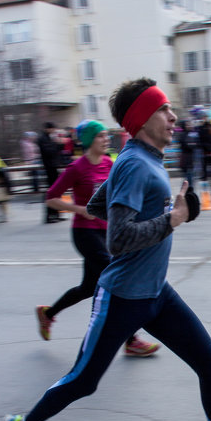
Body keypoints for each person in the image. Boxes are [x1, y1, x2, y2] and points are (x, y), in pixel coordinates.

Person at [3, 77, 211, 421]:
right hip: (122, 297)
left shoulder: (139, 158)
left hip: (156, 292)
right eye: (164, 110)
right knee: (84, 380)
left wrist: (167, 207)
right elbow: (117, 240)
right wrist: (172, 218)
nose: (173, 117)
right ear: (141, 118)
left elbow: (102, 203)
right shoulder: (136, 162)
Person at [35, 118, 160, 357]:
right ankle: (131, 339)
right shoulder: (77, 168)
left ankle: (48, 314)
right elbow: (51, 197)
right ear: (90, 141)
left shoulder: (109, 163)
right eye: (101, 136)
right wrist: (81, 209)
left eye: (105, 135)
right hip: (85, 233)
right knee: (117, 279)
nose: (106, 139)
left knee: (88, 288)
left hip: (107, 232)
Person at [37, 122, 63, 223]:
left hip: (53, 166)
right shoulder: (43, 139)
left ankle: (56, 213)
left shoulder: (48, 138)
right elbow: (49, 151)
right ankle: (50, 215)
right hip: (49, 167)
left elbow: (56, 150)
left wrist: (59, 144)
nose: (54, 131)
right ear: (48, 129)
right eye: (53, 129)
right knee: (51, 191)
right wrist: (56, 144)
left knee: (56, 191)